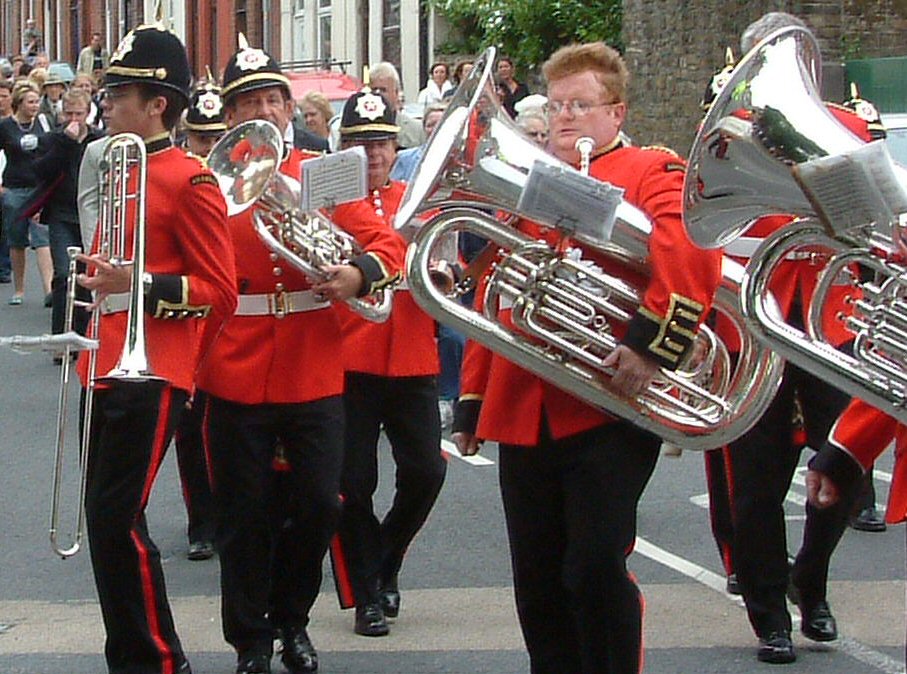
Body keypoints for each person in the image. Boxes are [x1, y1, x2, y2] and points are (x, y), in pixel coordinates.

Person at [452, 42, 722, 674]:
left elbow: (689, 252)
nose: (567, 115)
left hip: (608, 399)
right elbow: (500, 292)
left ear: (616, 112)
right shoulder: (530, 182)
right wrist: (472, 398)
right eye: (559, 104)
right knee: (537, 579)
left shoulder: (653, 169)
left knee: (596, 564)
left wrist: (652, 345)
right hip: (524, 403)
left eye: (582, 104)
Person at [196, 37, 405, 674]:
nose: (265, 110)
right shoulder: (210, 186)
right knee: (242, 516)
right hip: (234, 366)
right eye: (250, 103)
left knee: (319, 505)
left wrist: (357, 273)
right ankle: (251, 641)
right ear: (233, 120)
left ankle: (293, 618)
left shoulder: (320, 178)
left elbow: (387, 247)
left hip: (314, 366)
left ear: (288, 109)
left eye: (273, 99)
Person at [74, 23, 237, 674]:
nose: (107, 102)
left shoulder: (191, 178)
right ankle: (133, 656)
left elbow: (219, 291)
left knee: (118, 519)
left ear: (157, 103)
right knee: (104, 522)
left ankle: (158, 661)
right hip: (106, 360)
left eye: (120, 92)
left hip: (156, 365)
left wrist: (135, 283)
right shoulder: (122, 169)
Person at [714, 12, 875, 665]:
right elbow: (715, 235)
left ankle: (810, 576)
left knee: (846, 466)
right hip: (760, 323)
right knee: (754, 482)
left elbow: (877, 224)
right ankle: (767, 611)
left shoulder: (850, 127)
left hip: (833, 318)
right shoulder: (730, 137)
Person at [330, 88, 447, 638]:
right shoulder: (332, 203)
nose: (372, 155)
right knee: (354, 483)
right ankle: (367, 596)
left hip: (412, 357)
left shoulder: (417, 199)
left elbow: (447, 266)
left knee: (426, 470)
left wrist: (446, 274)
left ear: (395, 146)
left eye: (379, 144)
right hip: (349, 356)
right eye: (359, 144)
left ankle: (385, 556)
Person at [32, 87, 104, 358]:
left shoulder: (98, 140)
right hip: (62, 214)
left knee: (88, 276)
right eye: (69, 113)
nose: (74, 119)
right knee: (63, 275)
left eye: (79, 113)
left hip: (89, 213)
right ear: (62, 114)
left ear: (88, 113)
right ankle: (61, 339)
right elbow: (40, 171)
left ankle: (84, 338)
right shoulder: (52, 140)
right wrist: (65, 142)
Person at [0, 81, 53, 305]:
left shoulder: (44, 122)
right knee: (17, 240)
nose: (35, 105)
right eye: (30, 102)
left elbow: (53, 148)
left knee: (42, 238)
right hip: (14, 188)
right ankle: (19, 289)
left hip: (39, 188)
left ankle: (49, 289)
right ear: (19, 103)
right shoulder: (5, 127)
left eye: (37, 101)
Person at [367, 62, 424, 149]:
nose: (377, 94)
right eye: (373, 90)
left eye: (383, 90)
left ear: (396, 93)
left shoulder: (417, 131)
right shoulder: (354, 128)